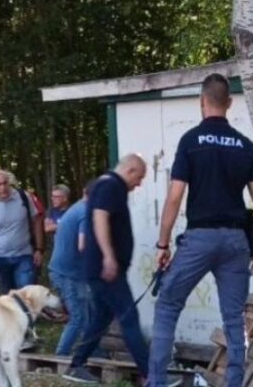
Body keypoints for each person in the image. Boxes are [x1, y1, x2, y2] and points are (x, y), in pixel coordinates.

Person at [148, 74, 253, 387]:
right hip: (236, 241)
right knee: (234, 318)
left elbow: (174, 197)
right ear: (228, 103)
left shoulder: (190, 141)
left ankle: (157, 382)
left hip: (199, 239)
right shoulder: (246, 147)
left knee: (167, 306)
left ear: (201, 101)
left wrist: (163, 245)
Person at [63, 155, 149, 384]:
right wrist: (109, 257)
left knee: (100, 320)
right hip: (106, 271)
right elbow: (100, 218)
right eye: (139, 177)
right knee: (129, 317)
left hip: (103, 269)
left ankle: (76, 365)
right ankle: (151, 375)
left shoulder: (108, 185)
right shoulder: (111, 186)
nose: (139, 183)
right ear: (130, 170)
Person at [0, 169, 44, 294]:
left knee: (27, 294)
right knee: (8, 297)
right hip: (0, 257)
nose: (3, 188)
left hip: (24, 254)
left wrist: (39, 249)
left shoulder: (24, 197)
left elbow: (37, 221)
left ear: (9, 182)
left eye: (5, 183)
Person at [49, 183, 92, 357]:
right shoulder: (86, 213)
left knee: (85, 314)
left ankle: (93, 352)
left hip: (69, 272)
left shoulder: (77, 208)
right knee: (78, 317)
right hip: (67, 274)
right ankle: (61, 355)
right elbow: (83, 245)